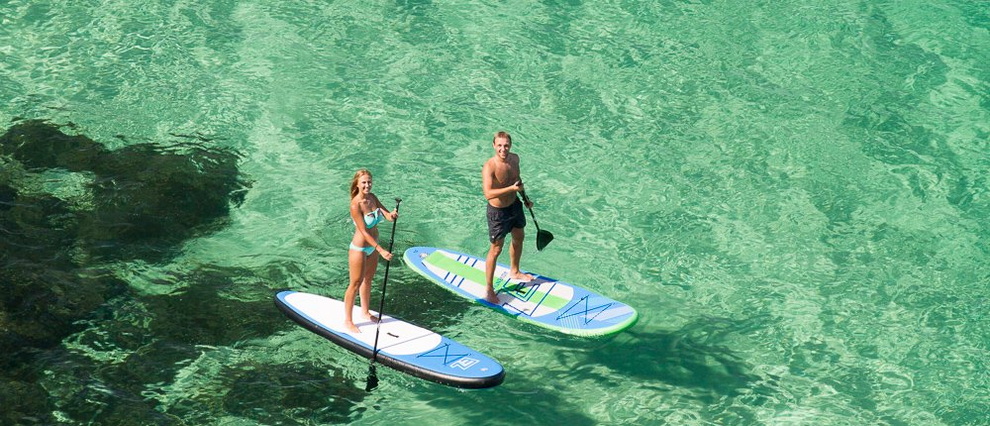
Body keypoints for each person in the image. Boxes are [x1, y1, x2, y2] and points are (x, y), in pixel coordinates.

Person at [481, 131, 534, 304]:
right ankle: (489, 289)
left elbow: (517, 180)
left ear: (510, 145)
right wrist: (512, 189)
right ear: (494, 146)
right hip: (498, 212)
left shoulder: (515, 159)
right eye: (499, 146)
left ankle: (515, 271)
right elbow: (488, 193)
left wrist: (525, 198)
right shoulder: (490, 166)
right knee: (496, 249)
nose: (503, 149)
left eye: (506, 145)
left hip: (515, 205)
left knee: (519, 237)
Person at [344, 169, 398, 333]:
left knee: (368, 280)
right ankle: (348, 321)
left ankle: (365, 312)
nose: (367, 185)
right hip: (360, 248)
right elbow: (363, 232)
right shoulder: (355, 204)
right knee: (355, 284)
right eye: (364, 182)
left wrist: (392, 215)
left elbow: (385, 214)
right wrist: (381, 250)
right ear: (357, 184)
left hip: (373, 246)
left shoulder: (372, 197)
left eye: (369, 182)